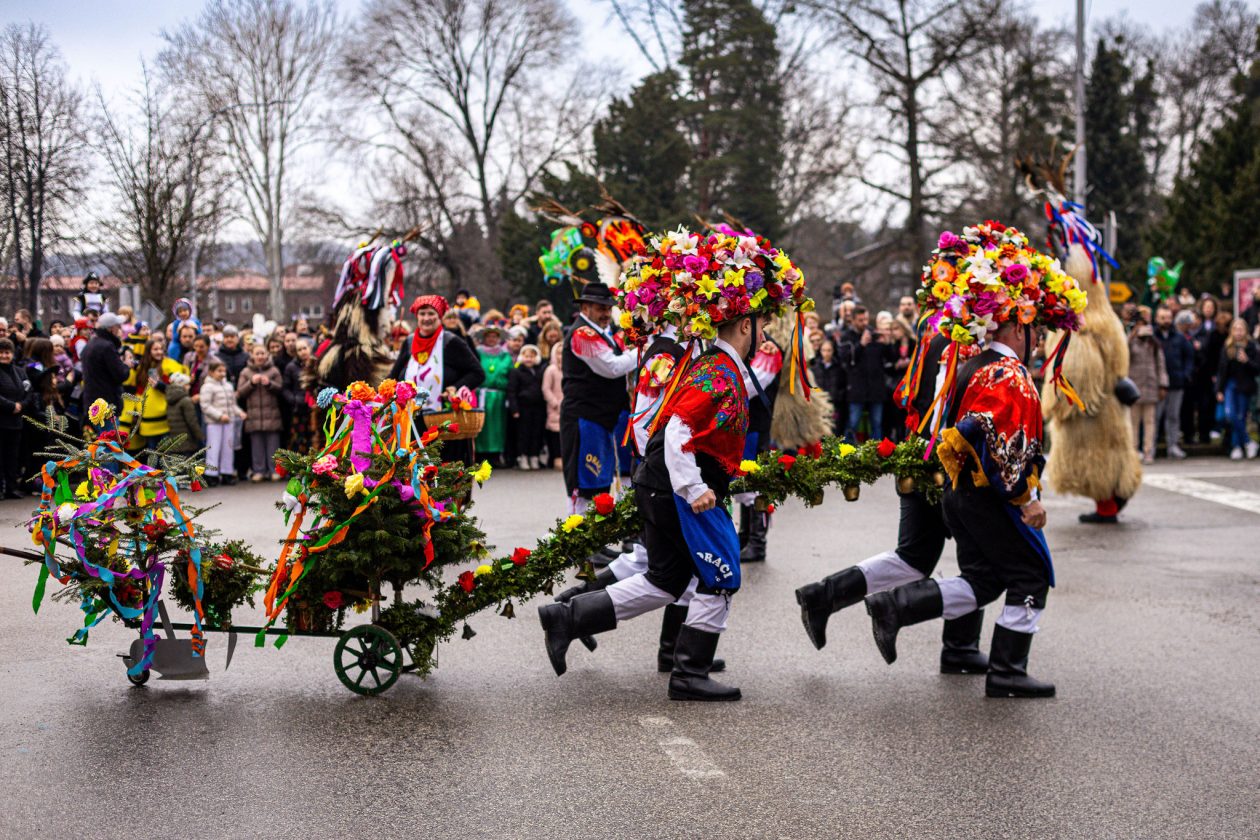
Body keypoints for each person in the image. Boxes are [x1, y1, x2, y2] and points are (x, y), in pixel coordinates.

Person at [540, 224, 810, 700]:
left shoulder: (713, 364)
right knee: (721, 574)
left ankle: (569, 616)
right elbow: (679, 430)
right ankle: (688, 672)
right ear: (745, 325)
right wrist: (694, 488)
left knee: (666, 579)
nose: (763, 334)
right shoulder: (717, 371)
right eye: (761, 325)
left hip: (661, 485)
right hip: (677, 488)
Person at [863, 227, 1087, 698]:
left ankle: (898, 606)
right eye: (1035, 331)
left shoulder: (974, 363)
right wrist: (1027, 500)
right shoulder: (1009, 374)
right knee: (1029, 575)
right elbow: (1008, 445)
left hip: (961, 493)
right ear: (1017, 326)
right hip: (988, 495)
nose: (1039, 341)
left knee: (984, 580)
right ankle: (1007, 671)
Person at [559, 281, 637, 513]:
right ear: (585, 308)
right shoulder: (582, 333)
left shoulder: (606, 333)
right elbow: (611, 367)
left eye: (608, 308)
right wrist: (644, 350)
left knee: (600, 479)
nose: (605, 313)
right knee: (585, 482)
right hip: (584, 416)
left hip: (600, 417)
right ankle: (583, 544)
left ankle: (597, 544)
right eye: (600, 308)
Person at [387, 295, 485, 467]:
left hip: (443, 421)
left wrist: (455, 387)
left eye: (431, 313)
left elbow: (477, 373)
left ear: (439, 316)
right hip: (412, 421)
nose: (426, 318)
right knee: (414, 472)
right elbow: (393, 377)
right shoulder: (409, 342)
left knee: (443, 473)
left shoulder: (452, 343)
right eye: (422, 314)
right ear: (416, 317)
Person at [121, 337, 186, 450]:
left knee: (165, 454)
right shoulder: (142, 368)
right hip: (147, 422)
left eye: (161, 349)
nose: (159, 352)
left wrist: (161, 386)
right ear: (148, 351)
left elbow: (179, 388)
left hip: (165, 420)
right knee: (152, 454)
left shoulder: (169, 365)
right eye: (155, 349)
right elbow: (130, 384)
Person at [839, 305, 893, 440]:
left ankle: (877, 453)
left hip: (876, 388)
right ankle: (847, 453)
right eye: (860, 320)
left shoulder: (874, 334)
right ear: (853, 320)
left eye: (866, 319)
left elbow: (890, 359)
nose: (864, 323)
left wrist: (887, 344)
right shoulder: (847, 337)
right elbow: (845, 359)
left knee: (876, 423)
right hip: (857, 389)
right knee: (853, 423)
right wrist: (861, 345)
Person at [238, 343, 283, 481]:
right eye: (257, 354)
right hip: (254, 415)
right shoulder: (245, 372)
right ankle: (259, 471)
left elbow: (280, 388)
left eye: (262, 353)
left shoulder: (274, 370)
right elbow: (240, 391)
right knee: (256, 445)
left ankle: (274, 470)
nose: (260, 356)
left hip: (272, 414)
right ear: (252, 355)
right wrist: (251, 383)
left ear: (267, 355)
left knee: (273, 445)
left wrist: (269, 383)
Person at [1128, 307, 1168, 465]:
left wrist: (1163, 384)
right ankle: (1133, 451)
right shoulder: (1131, 341)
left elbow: (1161, 364)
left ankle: (1148, 451)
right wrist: (1132, 335)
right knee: (1133, 422)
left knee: (1150, 422)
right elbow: (1124, 354)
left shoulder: (1154, 343)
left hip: (1151, 386)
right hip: (1134, 386)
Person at [1216, 318, 1259, 460]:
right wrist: (1219, 390)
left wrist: (1246, 361)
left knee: (1240, 416)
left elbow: (1257, 368)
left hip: (1245, 386)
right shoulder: (1227, 346)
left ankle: (1237, 446)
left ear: (1246, 331)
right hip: (1231, 385)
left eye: (1241, 329)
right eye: (1236, 329)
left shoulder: (1251, 346)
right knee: (1230, 415)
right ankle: (1248, 442)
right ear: (1232, 331)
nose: (1238, 332)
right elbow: (1222, 371)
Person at [1154, 306, 1193, 459]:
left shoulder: (1179, 337)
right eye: (1163, 318)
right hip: (1157, 384)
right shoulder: (1153, 336)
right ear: (1157, 319)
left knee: (1173, 416)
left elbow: (1189, 356)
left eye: (1168, 317)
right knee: (1155, 417)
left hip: (1176, 382)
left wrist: (1185, 374)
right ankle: (1151, 446)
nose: (1166, 321)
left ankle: (1173, 446)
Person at [200, 360, 246, 485]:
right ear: (211, 372)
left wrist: (239, 412)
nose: (222, 373)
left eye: (223, 371)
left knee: (228, 448)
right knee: (213, 448)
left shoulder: (228, 386)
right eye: (219, 371)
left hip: (228, 422)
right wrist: (220, 416)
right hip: (214, 423)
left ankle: (227, 473)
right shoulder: (207, 387)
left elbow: (232, 405)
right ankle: (211, 475)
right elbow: (205, 406)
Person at [79, 313, 132, 416]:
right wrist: (126, 365)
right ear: (111, 329)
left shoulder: (91, 344)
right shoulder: (107, 347)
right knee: (109, 432)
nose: (119, 329)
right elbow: (120, 375)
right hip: (106, 404)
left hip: (93, 402)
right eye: (118, 326)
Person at [472, 325, 510, 466]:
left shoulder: (504, 354)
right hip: (482, 395)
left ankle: (495, 455)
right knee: (482, 425)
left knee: (498, 426)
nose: (491, 339)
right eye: (489, 336)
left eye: (494, 336)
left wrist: (499, 380)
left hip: (498, 396)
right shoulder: (478, 352)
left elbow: (506, 370)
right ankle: (481, 454)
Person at [0, 338, 32, 498]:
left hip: (16, 422)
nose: (4, 355)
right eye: (1, 352)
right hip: (2, 419)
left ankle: (11, 488)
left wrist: (21, 404)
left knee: (12, 456)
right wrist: (11, 406)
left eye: (7, 352)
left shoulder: (20, 371)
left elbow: (28, 391)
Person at [506, 344, 546, 469]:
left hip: (538, 407)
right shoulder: (516, 371)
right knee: (523, 433)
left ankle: (534, 456)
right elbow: (511, 391)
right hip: (522, 407)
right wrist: (514, 409)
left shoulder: (540, 371)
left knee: (536, 432)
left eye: (532, 356)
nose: (529, 359)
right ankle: (522, 456)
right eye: (526, 356)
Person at [283, 339, 315, 454]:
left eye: (304, 348)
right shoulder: (291, 367)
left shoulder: (316, 364)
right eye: (299, 350)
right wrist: (294, 399)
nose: (303, 352)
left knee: (314, 437)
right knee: (298, 439)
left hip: (314, 407)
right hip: (298, 408)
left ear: (309, 348)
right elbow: (285, 388)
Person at [809, 338, 844, 435]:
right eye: (824, 350)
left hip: (834, 404)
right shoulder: (815, 368)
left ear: (833, 351)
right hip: (819, 404)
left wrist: (838, 396)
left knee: (834, 430)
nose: (826, 353)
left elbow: (842, 385)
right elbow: (811, 385)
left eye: (829, 350)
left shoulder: (838, 367)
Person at [164, 372, 204, 455]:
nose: (189, 387)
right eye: (187, 384)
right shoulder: (186, 401)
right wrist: (201, 437)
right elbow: (192, 422)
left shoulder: (170, 397)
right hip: (187, 440)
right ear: (182, 385)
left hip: (175, 440)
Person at [542, 342, 564, 469]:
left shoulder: (569, 368)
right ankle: (555, 457)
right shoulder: (551, 370)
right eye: (558, 353)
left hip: (567, 405)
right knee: (554, 433)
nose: (561, 356)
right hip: (554, 407)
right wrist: (554, 403)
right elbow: (546, 388)